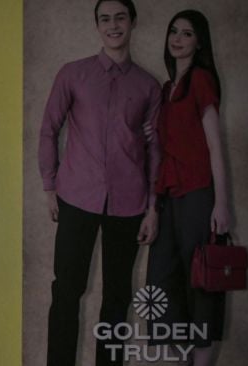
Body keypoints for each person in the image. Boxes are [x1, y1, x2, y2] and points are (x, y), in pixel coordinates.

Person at [38, 1, 161, 364]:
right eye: (105, 19)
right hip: (76, 197)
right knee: (66, 291)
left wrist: (153, 207)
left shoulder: (148, 86)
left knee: (118, 296)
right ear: (97, 26)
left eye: (120, 17)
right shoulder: (73, 75)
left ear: (132, 23)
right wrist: (49, 186)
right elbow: (48, 130)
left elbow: (156, 150)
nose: (113, 25)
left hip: (129, 202)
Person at [146, 10, 227, 366]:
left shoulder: (201, 80)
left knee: (201, 283)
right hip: (168, 197)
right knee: (165, 279)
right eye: (173, 31)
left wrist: (221, 204)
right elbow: (166, 143)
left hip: (197, 194)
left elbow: (214, 145)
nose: (178, 38)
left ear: (199, 41)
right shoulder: (167, 90)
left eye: (187, 33)